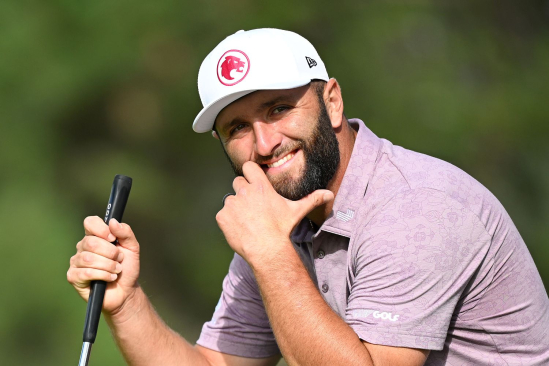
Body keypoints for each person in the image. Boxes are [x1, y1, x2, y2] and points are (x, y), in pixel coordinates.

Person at [67, 28, 549, 365]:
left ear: (332, 102)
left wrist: (271, 254)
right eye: (238, 127)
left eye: (279, 108)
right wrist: (126, 303)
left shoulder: (417, 205)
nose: (264, 143)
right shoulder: (280, 221)